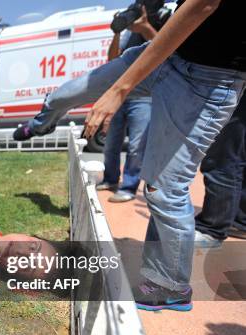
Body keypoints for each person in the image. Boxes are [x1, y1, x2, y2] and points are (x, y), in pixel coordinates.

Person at [13, 0, 246, 311]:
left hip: (208, 78)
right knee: (65, 94)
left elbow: (202, 5)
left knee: (164, 188)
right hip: (168, 56)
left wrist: (120, 90)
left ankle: (169, 285)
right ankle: (39, 123)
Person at [96, 6, 160, 203]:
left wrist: (146, 26)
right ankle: (110, 179)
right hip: (121, 97)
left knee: (136, 147)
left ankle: (129, 187)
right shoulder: (128, 34)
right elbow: (112, 59)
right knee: (111, 143)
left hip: (143, 97)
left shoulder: (162, 17)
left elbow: (162, 46)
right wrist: (117, 32)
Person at [195, 98, 246, 247]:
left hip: (235, 82)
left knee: (222, 158)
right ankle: (240, 220)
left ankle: (211, 229)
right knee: (237, 155)